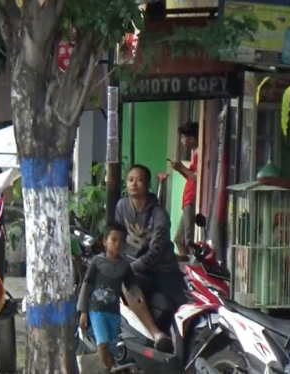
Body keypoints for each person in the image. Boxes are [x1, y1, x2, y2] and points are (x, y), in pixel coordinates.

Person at [115, 164, 185, 352]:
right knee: (127, 284)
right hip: (137, 268)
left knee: (181, 309)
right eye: (130, 180)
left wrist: (131, 267)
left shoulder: (159, 214)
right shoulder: (122, 206)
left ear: (148, 185)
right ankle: (156, 335)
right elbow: (118, 237)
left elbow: (156, 252)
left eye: (139, 180)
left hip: (163, 270)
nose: (134, 184)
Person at [78, 222, 137, 373]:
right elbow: (86, 284)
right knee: (102, 345)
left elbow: (131, 287)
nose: (117, 244)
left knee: (110, 352)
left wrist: (138, 298)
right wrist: (83, 311)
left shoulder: (125, 267)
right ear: (105, 241)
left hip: (114, 312)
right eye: (113, 240)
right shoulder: (97, 262)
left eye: (121, 241)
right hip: (96, 310)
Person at [169, 121, 199, 259]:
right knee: (178, 239)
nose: (181, 141)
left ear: (192, 138)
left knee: (188, 240)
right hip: (187, 198)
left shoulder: (199, 154)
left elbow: (196, 177)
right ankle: (187, 267)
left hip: (191, 198)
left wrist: (180, 168)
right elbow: (190, 176)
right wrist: (180, 168)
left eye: (183, 137)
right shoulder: (194, 153)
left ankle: (192, 267)